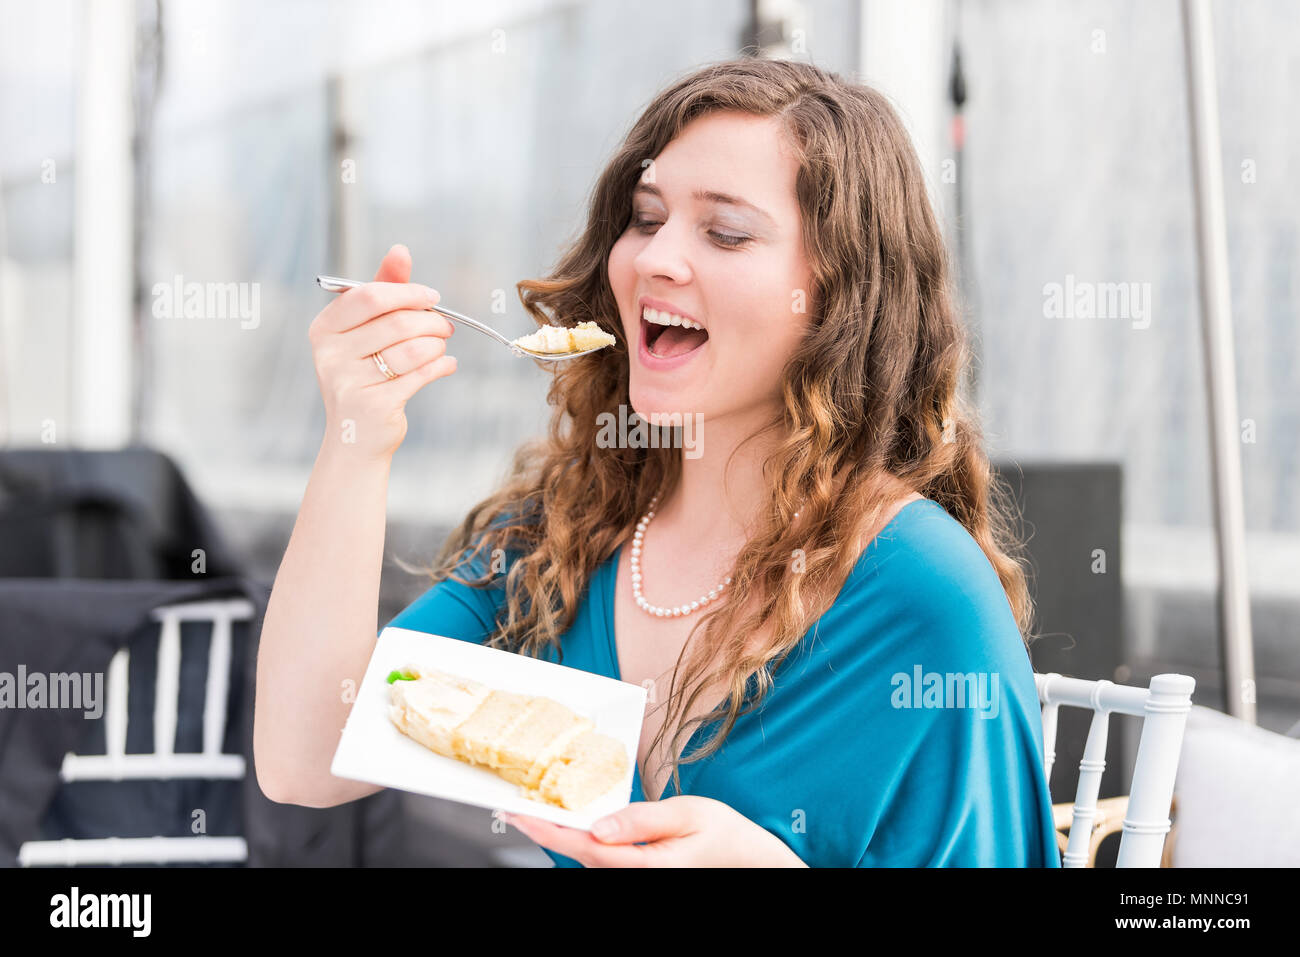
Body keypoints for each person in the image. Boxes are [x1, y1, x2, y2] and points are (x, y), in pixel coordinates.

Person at [255, 56, 1061, 868]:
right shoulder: (563, 538)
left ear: (839, 297)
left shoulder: (924, 595)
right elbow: (308, 754)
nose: (652, 259)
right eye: (645, 218)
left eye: (726, 232)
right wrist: (357, 441)